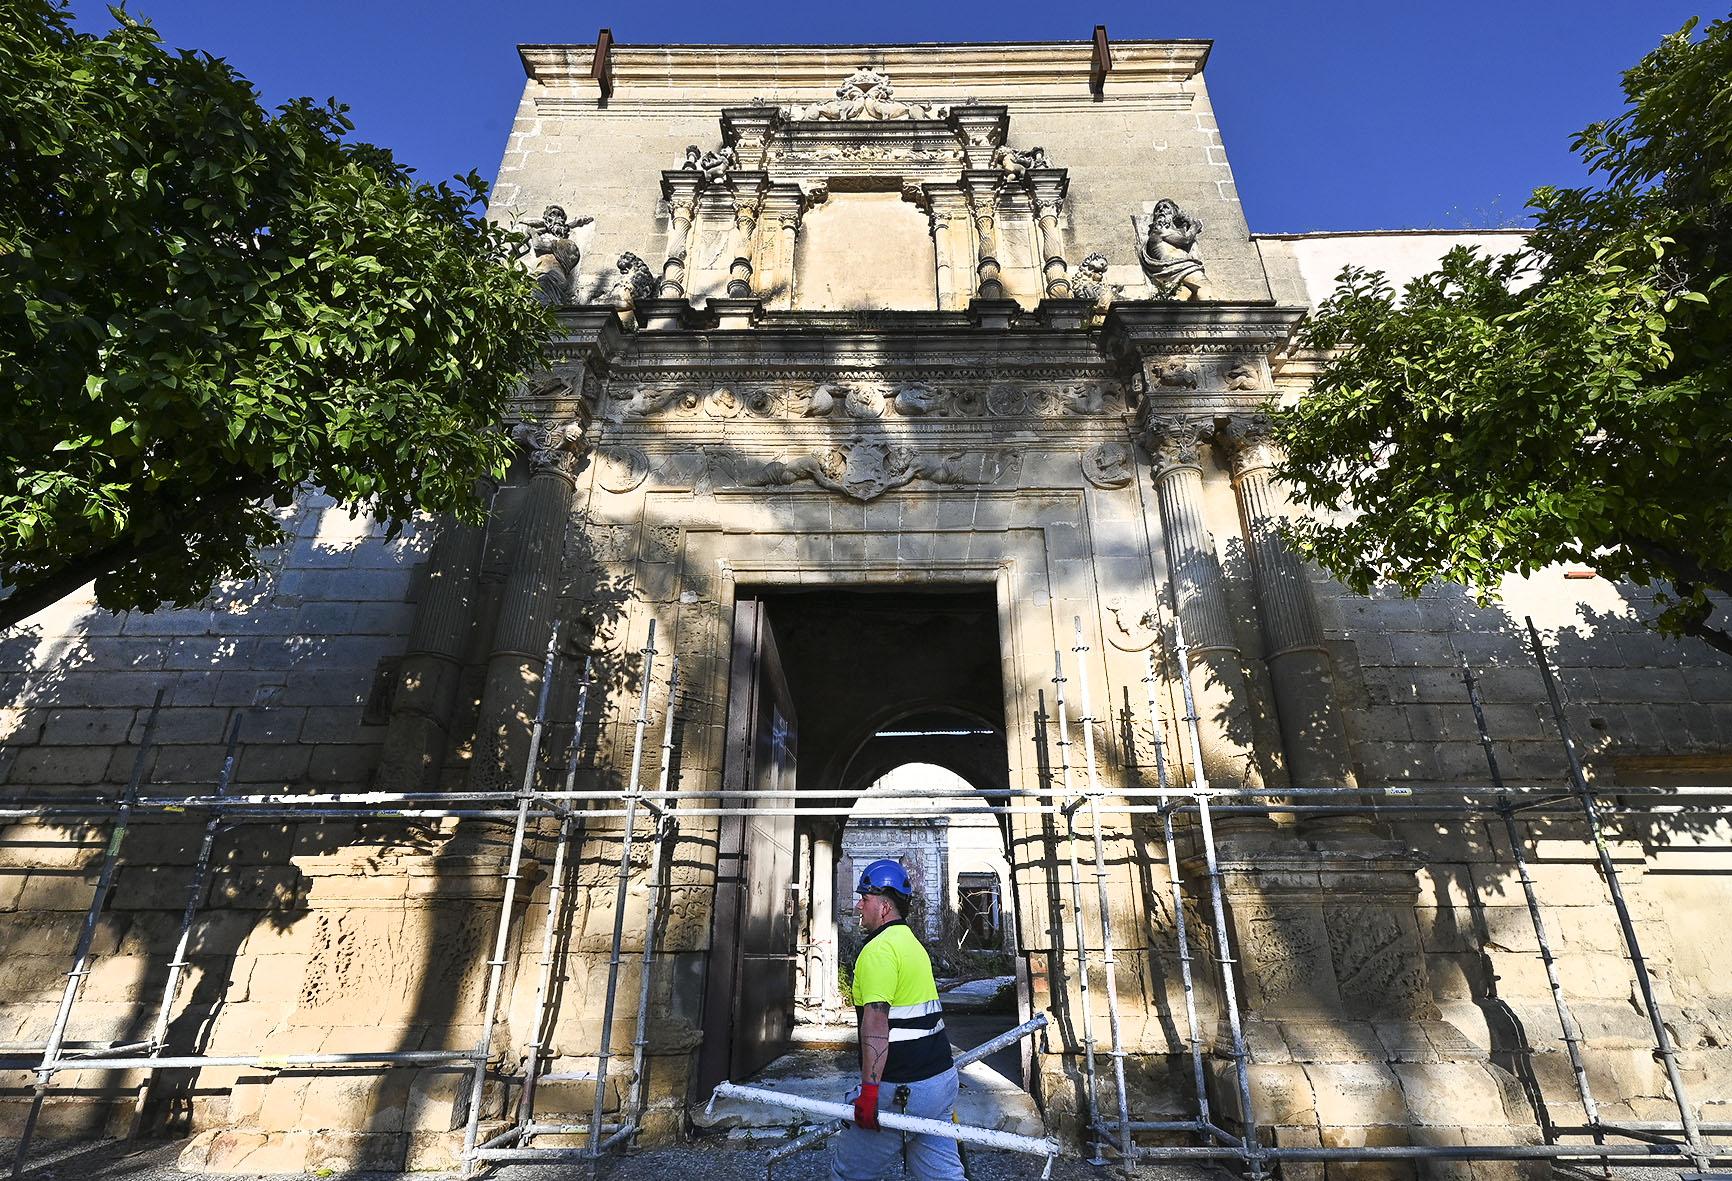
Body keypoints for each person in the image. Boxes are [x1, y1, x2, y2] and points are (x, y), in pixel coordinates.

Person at [832, 859, 964, 1181]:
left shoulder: (878, 951)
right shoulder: (913, 945)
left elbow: (876, 1028)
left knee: (848, 1174)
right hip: (940, 1082)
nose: (858, 904)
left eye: (865, 898)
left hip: (903, 1091)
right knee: (941, 1175)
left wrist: (870, 1093)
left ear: (885, 906)